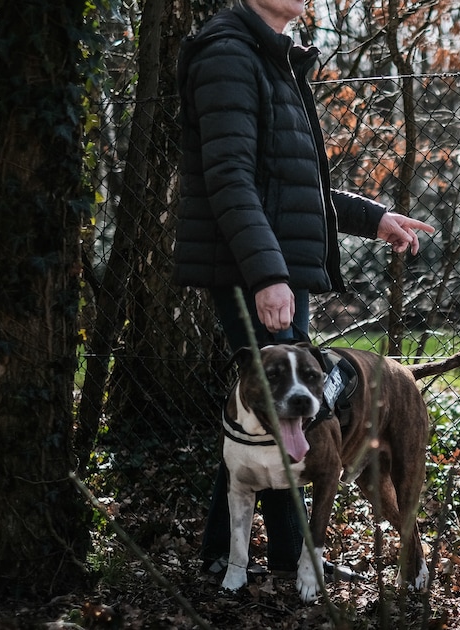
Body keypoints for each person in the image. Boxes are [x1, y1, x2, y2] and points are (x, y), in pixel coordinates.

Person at [173, 0, 434, 579]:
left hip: (275, 262)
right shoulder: (228, 53)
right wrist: (267, 274)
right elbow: (230, 177)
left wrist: (373, 218)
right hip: (253, 267)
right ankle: (295, 562)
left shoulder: (272, 54)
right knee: (287, 420)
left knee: (263, 416)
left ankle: (224, 553)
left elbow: (292, 185)